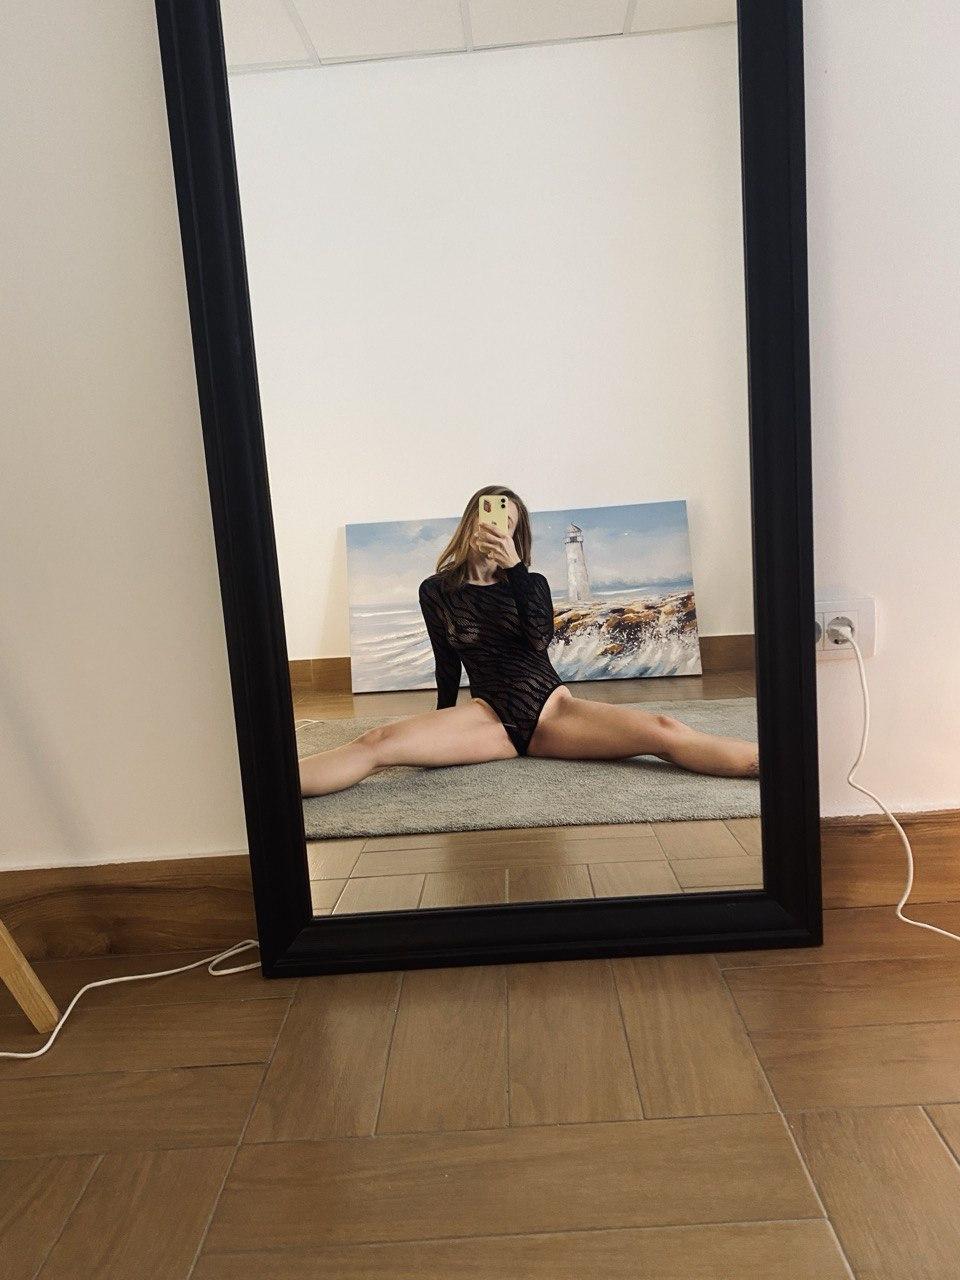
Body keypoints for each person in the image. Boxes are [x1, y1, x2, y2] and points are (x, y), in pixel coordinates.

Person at [299, 486, 759, 796]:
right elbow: (446, 663)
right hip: (488, 719)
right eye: (489, 517)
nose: (496, 527)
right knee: (377, 743)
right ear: (470, 523)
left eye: (508, 522)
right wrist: (441, 723)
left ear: (516, 533)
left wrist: (515, 569)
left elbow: (540, 641)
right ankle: (270, 790)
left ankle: (776, 765)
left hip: (554, 712)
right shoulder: (436, 590)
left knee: (663, 730)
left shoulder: (532, 583)